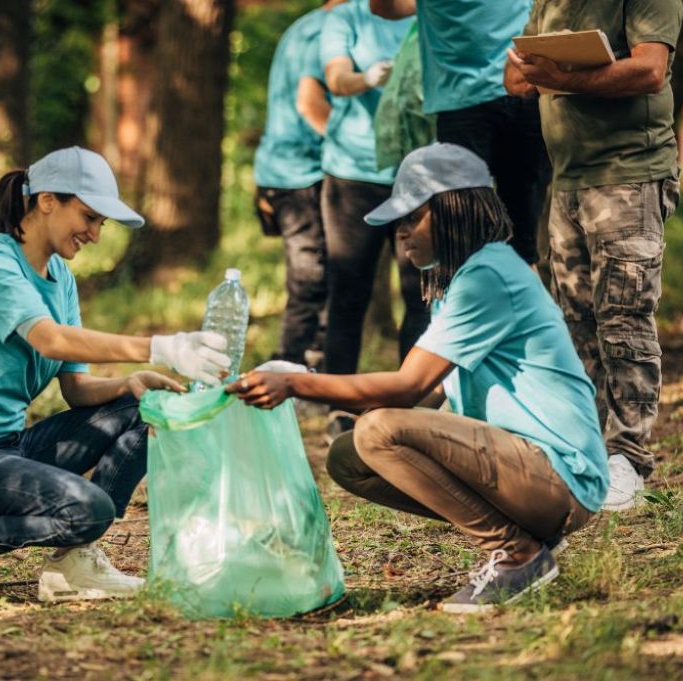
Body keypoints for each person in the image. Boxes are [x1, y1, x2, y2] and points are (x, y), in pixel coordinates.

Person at [228, 143, 608, 613]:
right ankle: (528, 536)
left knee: (377, 432)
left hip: (559, 476)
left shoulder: (488, 274)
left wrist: (300, 383)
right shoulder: (460, 282)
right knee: (350, 456)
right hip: (528, 472)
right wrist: (327, 388)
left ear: (453, 209)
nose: (401, 233)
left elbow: (408, 386)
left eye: (412, 218)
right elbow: (429, 395)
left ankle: (517, 553)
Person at [0, 147, 231, 605]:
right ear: (46, 201)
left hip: (10, 446)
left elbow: (76, 387)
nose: (96, 234)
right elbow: (51, 340)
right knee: (88, 508)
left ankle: (71, 564)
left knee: (148, 410)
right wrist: (159, 347)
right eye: (89, 216)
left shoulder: (60, 277)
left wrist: (130, 383)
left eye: (101, 223)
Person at [505, 0, 683, 511]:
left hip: (629, 174)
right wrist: (541, 70)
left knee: (623, 318)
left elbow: (650, 70)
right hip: (569, 180)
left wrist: (563, 77)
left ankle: (627, 457)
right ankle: (586, 451)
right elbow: (515, 81)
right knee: (575, 322)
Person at [318, 0, 428, 440]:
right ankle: (338, 408)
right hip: (354, 174)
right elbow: (335, 79)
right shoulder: (347, 17)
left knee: (420, 294)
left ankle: (410, 405)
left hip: (417, 174)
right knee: (348, 293)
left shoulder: (430, 13)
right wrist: (368, 78)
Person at [370, 0, 551, 269]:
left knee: (463, 233)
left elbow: (386, 7)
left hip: (489, 98)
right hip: (497, 98)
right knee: (503, 233)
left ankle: (497, 299)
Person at [253, 0, 346, 368]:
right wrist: (350, 151)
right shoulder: (329, 32)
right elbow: (309, 105)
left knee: (317, 271)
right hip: (299, 172)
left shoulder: (303, 25)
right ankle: (289, 363)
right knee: (310, 276)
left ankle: (307, 362)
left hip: (279, 169)